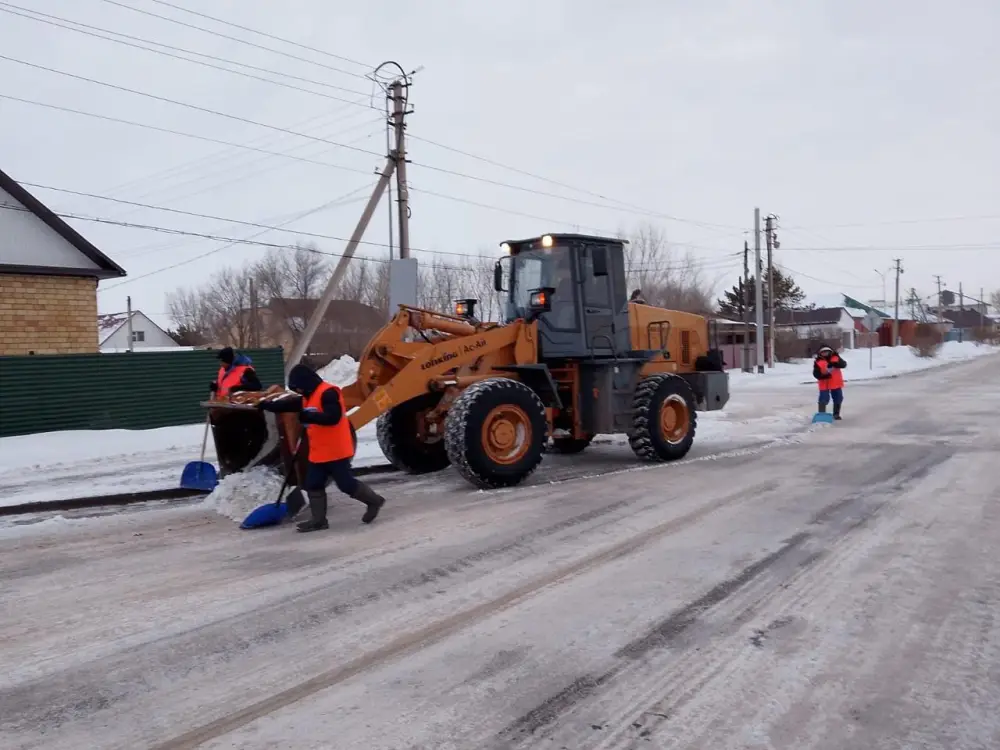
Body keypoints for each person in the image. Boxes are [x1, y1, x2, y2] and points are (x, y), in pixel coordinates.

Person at [258, 363, 386, 532]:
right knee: (313, 483)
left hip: (337, 449)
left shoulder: (329, 393)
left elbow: (333, 418)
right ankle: (318, 521)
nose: (298, 392)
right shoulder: (307, 397)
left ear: (305, 383)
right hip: (319, 451)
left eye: (298, 388)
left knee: (345, 484)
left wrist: (309, 416)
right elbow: (288, 406)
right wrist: (265, 406)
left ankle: (374, 501)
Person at [813, 345, 847, 420]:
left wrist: (836, 364)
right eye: (823, 352)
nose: (825, 353)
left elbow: (844, 364)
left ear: (830, 352)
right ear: (820, 353)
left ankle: (836, 414)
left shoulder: (836, 358)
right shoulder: (818, 362)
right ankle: (821, 414)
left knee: (838, 398)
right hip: (824, 383)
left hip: (836, 382)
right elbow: (816, 373)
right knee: (823, 398)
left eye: (826, 352)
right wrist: (823, 376)